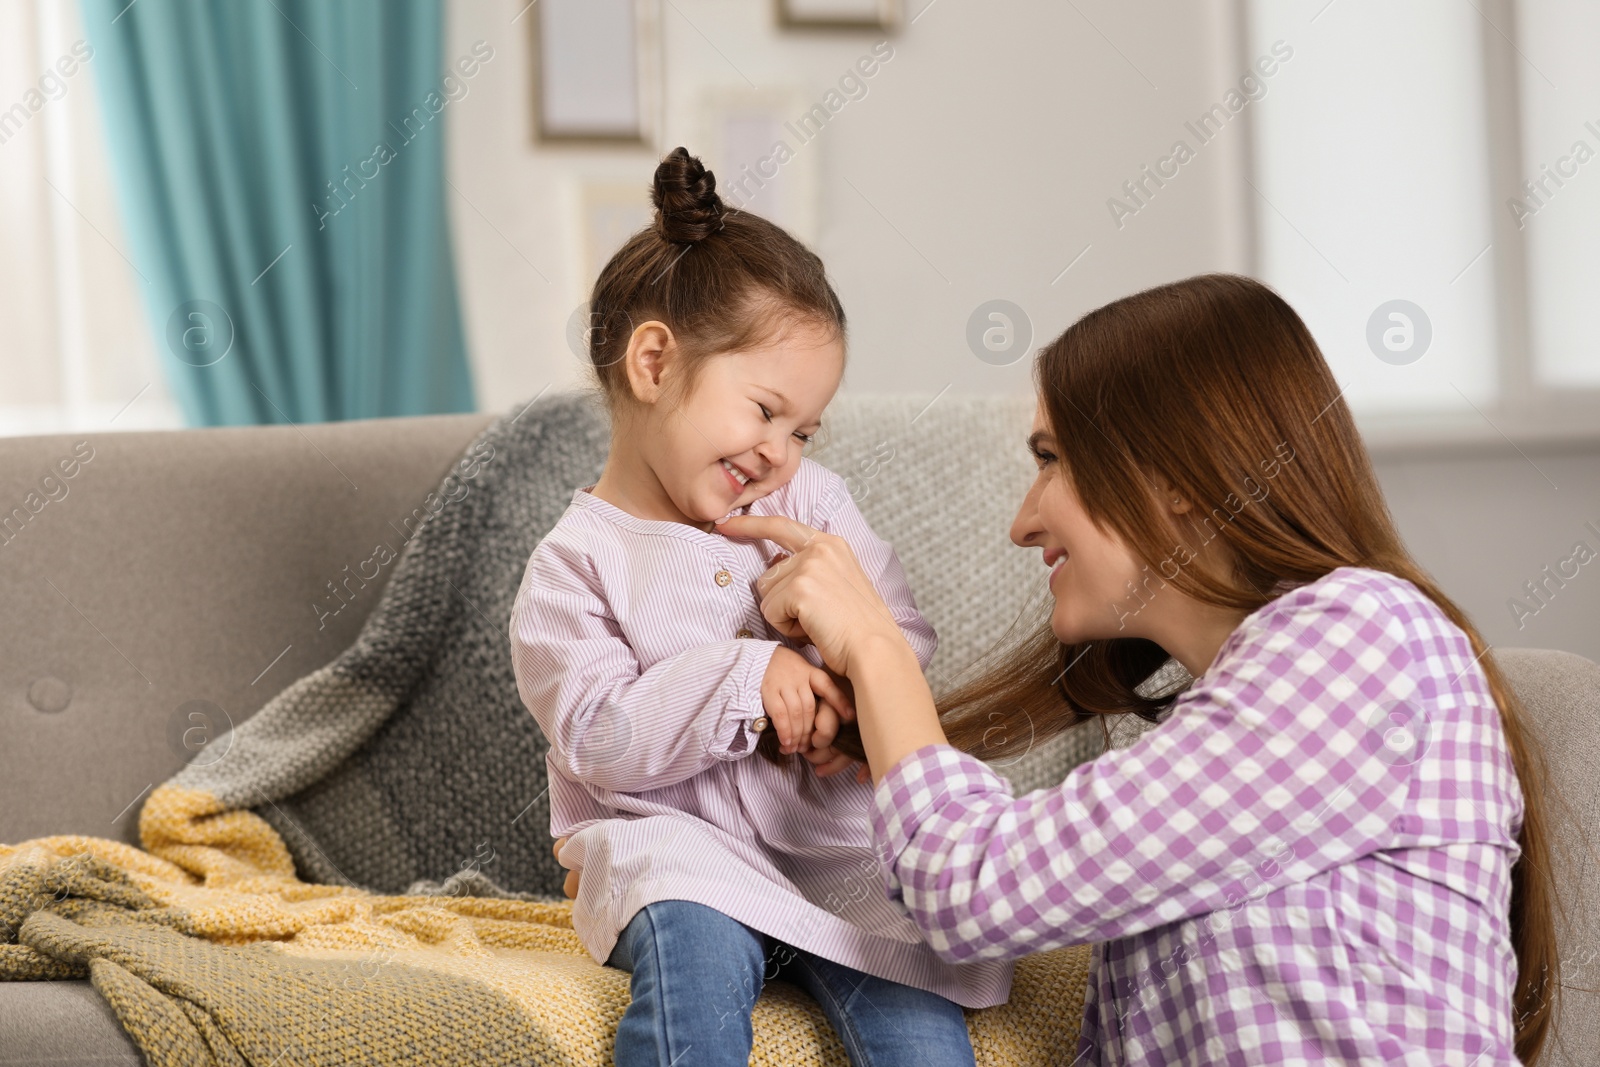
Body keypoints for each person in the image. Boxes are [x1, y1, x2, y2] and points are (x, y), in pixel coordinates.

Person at [560, 273, 1556, 1065]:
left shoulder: (1359, 641)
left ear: (1169, 475)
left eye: (1049, 457)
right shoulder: (1240, 719)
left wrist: (869, 642)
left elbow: (977, 886)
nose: (1022, 518)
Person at [510, 147, 1005, 1067]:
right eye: (765, 410)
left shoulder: (811, 506)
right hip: (681, 856)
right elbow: (597, 736)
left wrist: (834, 695)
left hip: (832, 853)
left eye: (805, 429)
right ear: (655, 363)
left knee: (918, 1017)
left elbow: (899, 638)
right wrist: (750, 676)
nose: (781, 451)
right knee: (692, 964)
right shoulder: (574, 567)